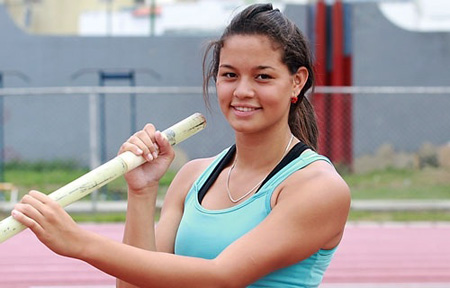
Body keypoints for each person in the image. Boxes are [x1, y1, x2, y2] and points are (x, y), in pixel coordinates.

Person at [11, 3, 350, 287]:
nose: (242, 91)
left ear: (297, 81)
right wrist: (142, 193)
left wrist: (79, 242)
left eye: (262, 76)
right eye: (230, 75)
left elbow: (223, 277)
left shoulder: (317, 187)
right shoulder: (192, 177)